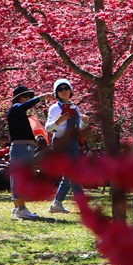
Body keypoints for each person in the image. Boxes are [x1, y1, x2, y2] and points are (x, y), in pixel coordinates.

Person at [7, 84, 53, 220]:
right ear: (18, 98)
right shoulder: (16, 108)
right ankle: (21, 208)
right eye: (25, 96)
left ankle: (18, 208)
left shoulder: (17, 113)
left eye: (29, 97)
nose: (28, 99)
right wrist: (41, 97)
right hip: (22, 147)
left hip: (22, 147)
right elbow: (23, 106)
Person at [46, 79, 86, 213]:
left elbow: (80, 127)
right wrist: (59, 121)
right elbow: (48, 128)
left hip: (73, 143)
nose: (64, 91)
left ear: (70, 90)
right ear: (56, 93)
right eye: (60, 89)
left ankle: (56, 204)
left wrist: (85, 122)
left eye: (66, 88)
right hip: (61, 144)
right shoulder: (55, 107)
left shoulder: (75, 107)